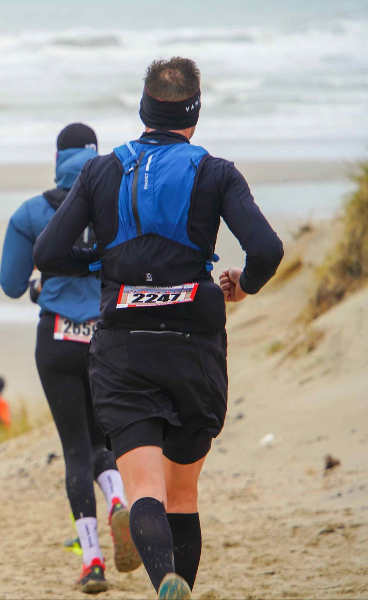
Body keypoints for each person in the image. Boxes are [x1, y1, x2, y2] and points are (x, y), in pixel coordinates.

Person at [33, 58, 283, 599]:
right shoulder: (216, 172)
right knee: (183, 494)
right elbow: (266, 248)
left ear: (144, 109)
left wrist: (101, 263)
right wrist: (246, 283)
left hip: (124, 345)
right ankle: (180, 586)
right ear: (194, 114)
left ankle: (164, 581)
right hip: (193, 344)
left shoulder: (101, 171)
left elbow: (49, 253)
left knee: (143, 487)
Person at [0, 123, 140, 593]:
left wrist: (40, 285)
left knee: (76, 452)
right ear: (96, 155)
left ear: (57, 157)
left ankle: (92, 561)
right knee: (105, 446)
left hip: (56, 339)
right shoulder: (118, 204)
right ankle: (119, 502)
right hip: (107, 339)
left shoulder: (31, 212)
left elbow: (10, 284)